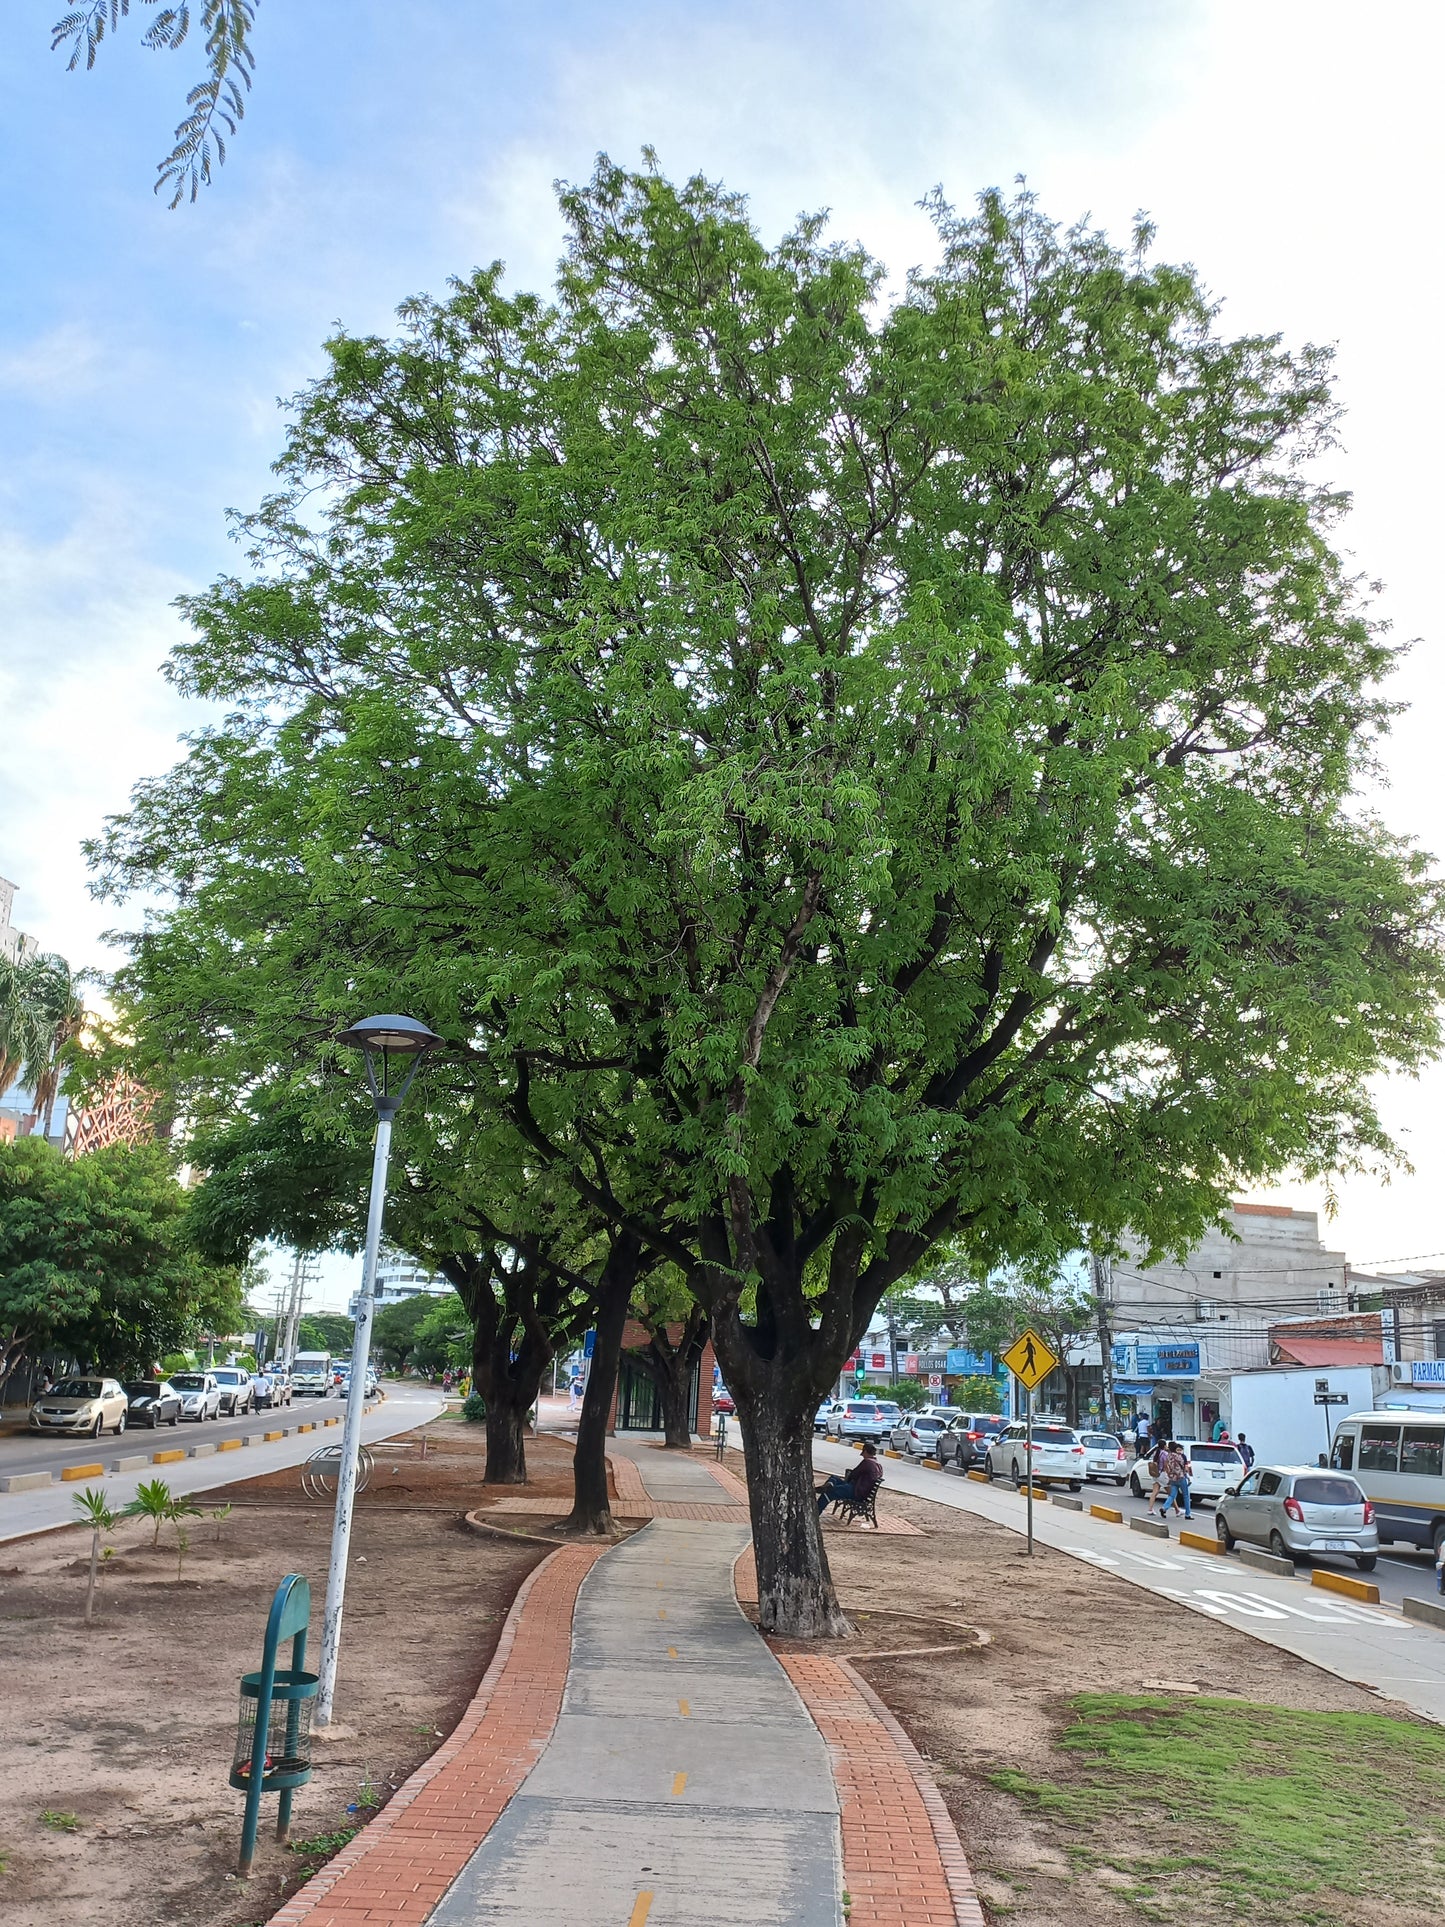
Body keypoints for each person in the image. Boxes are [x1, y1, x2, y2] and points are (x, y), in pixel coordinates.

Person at [816, 1440, 883, 1519]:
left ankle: (815, 1514)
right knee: (834, 1478)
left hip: (856, 1491)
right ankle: (828, 1485)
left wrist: (848, 1481)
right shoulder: (878, 1465)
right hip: (861, 1491)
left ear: (865, 1452)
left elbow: (854, 1474)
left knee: (828, 1493)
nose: (862, 1455)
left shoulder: (867, 1462)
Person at [1157, 1440, 1192, 1520]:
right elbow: (1185, 1468)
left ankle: (1164, 1508)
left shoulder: (1168, 1456)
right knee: (1186, 1496)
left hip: (1172, 1478)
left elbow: (1166, 1466)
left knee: (1172, 1495)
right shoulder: (1181, 1456)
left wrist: (1169, 1474)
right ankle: (1188, 1514)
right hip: (1181, 1477)